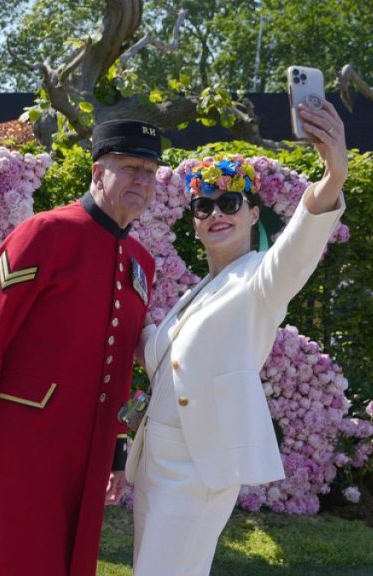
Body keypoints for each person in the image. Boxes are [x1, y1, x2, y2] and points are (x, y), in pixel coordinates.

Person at [127, 100, 348, 576]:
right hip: (153, 466)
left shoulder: (261, 281)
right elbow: (158, 355)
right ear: (194, 222)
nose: (215, 213)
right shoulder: (195, 292)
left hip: (197, 468)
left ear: (253, 214)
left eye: (230, 203)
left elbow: (297, 249)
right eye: (204, 206)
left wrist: (332, 178)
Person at [0, 119, 162, 576]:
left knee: (69, 559)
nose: (141, 181)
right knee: (7, 557)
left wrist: (118, 452)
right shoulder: (45, 233)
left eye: (149, 171)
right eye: (129, 168)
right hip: (25, 441)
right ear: (97, 173)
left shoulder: (141, 261)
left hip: (91, 446)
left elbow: (120, 363)